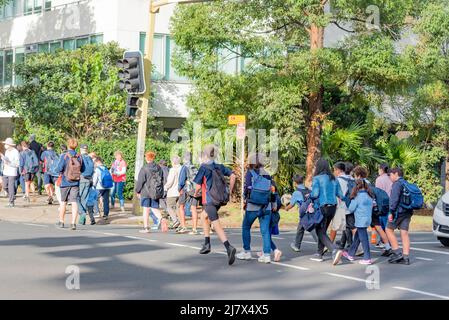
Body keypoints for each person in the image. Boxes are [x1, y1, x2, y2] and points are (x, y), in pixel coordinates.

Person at [193, 145, 237, 265]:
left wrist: (195, 193)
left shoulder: (203, 167)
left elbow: (197, 186)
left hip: (209, 200)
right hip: (219, 199)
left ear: (205, 155)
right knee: (203, 216)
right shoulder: (219, 166)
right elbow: (233, 175)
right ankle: (207, 243)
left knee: (216, 223)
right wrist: (230, 191)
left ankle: (229, 247)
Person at [236, 153, 278, 264]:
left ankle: (247, 252)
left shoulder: (250, 173)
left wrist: (245, 199)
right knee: (265, 232)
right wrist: (273, 203)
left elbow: (247, 189)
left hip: (253, 206)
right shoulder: (268, 174)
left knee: (246, 227)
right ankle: (267, 255)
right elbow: (273, 190)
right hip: (266, 206)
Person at [310, 158, 344, 265]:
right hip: (332, 208)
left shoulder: (317, 178)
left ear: (318, 167)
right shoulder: (334, 178)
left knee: (319, 231)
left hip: (322, 207)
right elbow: (341, 194)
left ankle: (334, 250)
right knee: (323, 230)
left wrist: (309, 195)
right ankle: (319, 254)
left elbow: (315, 194)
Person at [342, 179, 374, 265]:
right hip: (367, 219)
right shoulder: (369, 196)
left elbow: (351, 209)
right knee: (357, 237)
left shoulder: (357, 197)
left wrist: (347, 200)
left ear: (356, 186)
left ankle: (367, 258)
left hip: (360, 220)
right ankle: (350, 254)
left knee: (364, 239)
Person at [386, 167, 413, 265]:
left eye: (391, 175)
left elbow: (394, 200)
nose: (390, 177)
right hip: (408, 211)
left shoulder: (397, 184)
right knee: (404, 233)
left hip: (398, 212)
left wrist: (391, 212)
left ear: (396, 173)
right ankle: (406, 258)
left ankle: (397, 253)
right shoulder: (406, 183)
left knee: (388, 230)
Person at [56, 138, 84, 230]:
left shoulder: (64, 156)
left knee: (63, 202)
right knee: (74, 202)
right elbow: (82, 169)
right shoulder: (79, 156)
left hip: (65, 181)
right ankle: (73, 223)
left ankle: (61, 221)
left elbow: (59, 168)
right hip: (75, 182)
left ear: (68, 145)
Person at [285, 174, 318, 252]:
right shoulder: (309, 190)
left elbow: (291, 204)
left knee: (311, 228)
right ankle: (296, 245)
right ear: (303, 181)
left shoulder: (296, 193)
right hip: (312, 211)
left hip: (304, 214)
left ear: (295, 183)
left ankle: (322, 243)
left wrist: (286, 208)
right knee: (300, 228)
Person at [135, 151, 165, 233]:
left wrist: (137, 191)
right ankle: (162, 219)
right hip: (155, 191)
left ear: (146, 158)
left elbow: (140, 181)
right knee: (154, 208)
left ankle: (146, 228)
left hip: (146, 191)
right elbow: (162, 179)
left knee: (146, 209)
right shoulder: (159, 168)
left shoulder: (144, 168)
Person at [178, 152, 200, 234]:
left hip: (186, 189)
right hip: (195, 190)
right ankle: (194, 229)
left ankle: (184, 227)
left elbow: (181, 180)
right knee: (194, 208)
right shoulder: (195, 167)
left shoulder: (184, 167)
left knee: (181, 207)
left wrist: (179, 189)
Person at [329, 162, 348, 243]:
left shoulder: (337, 180)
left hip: (340, 206)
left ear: (338, 170)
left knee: (334, 226)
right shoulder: (350, 179)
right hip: (350, 205)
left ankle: (329, 244)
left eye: (334, 170)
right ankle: (358, 247)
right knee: (350, 227)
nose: (334, 172)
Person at [0, 138, 20, 207]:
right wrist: (3, 159)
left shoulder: (15, 152)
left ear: (9, 145)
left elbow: (17, 164)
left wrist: (9, 163)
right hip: (5, 171)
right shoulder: (6, 151)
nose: (5, 145)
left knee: (10, 187)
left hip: (12, 172)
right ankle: (12, 196)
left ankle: (11, 202)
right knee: (5, 186)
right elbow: (5, 161)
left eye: (6, 144)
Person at [78, 145, 94, 225]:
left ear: (81, 149)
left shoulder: (79, 157)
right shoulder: (90, 158)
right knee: (84, 199)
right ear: (86, 149)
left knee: (76, 198)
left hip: (81, 179)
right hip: (88, 180)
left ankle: (82, 214)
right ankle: (82, 218)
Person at [164, 155, 182, 229]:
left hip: (172, 191)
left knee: (169, 207)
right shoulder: (182, 168)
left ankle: (175, 220)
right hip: (180, 191)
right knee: (178, 208)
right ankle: (181, 223)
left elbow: (170, 181)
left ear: (173, 162)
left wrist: (165, 187)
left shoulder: (172, 170)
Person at [375, 163, 393, 232]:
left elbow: (377, 192)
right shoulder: (391, 178)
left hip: (382, 203)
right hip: (391, 202)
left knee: (382, 222)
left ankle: (385, 239)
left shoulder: (379, 179)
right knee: (389, 222)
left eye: (378, 169)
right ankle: (388, 237)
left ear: (381, 170)